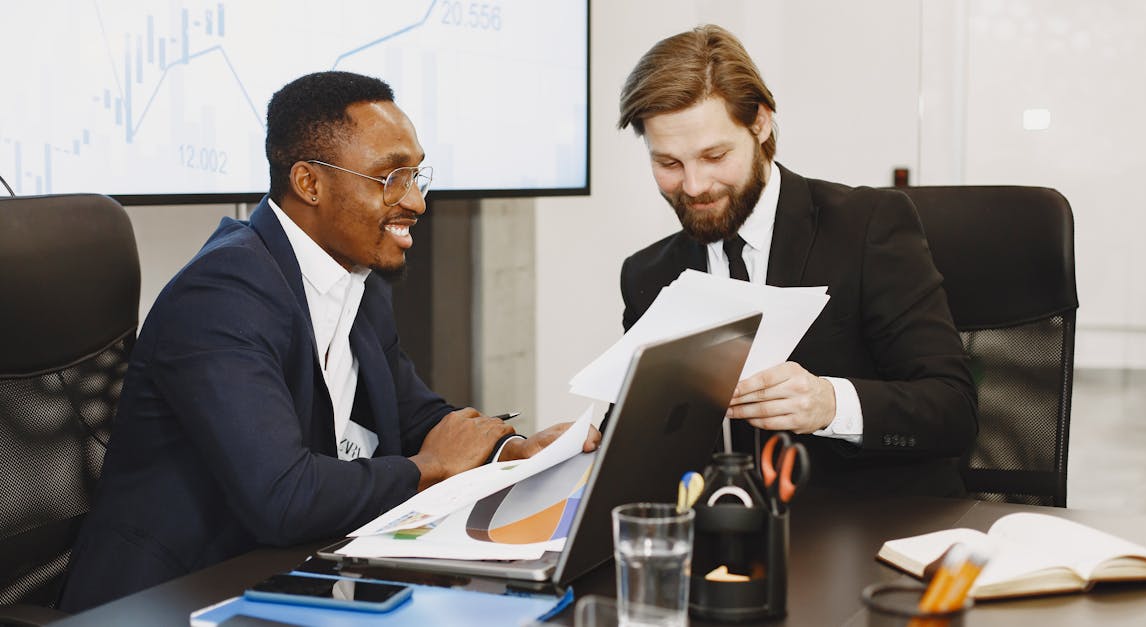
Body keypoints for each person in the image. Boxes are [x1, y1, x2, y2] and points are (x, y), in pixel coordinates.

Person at [59, 71, 600, 611]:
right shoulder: (222, 294)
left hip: (291, 572)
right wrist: (429, 467)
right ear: (309, 183)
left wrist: (509, 453)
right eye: (390, 177)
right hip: (172, 596)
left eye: (416, 175)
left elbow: (415, 416)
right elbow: (284, 498)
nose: (416, 201)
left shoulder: (355, 279)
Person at [617, 25, 977, 498]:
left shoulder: (868, 227)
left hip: (867, 520)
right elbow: (641, 435)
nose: (694, 186)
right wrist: (589, 445)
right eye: (668, 164)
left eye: (715, 156)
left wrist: (831, 404)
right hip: (719, 526)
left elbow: (954, 410)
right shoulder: (647, 275)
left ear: (761, 123)